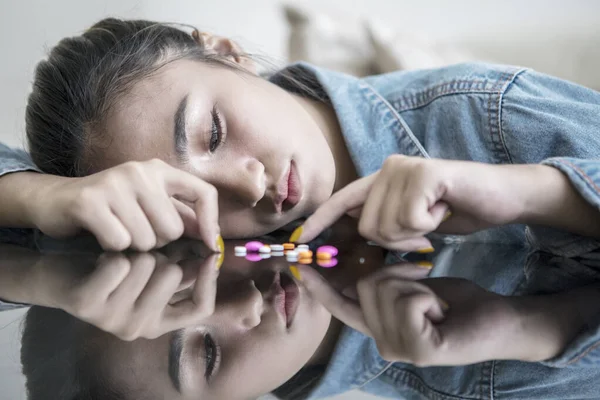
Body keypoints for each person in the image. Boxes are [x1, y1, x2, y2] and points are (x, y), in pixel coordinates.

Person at [0, 17, 599, 399]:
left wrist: (529, 193)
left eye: (211, 131)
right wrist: (40, 194)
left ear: (228, 52)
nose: (246, 185)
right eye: (186, 201)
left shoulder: (487, 116)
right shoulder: (204, 249)